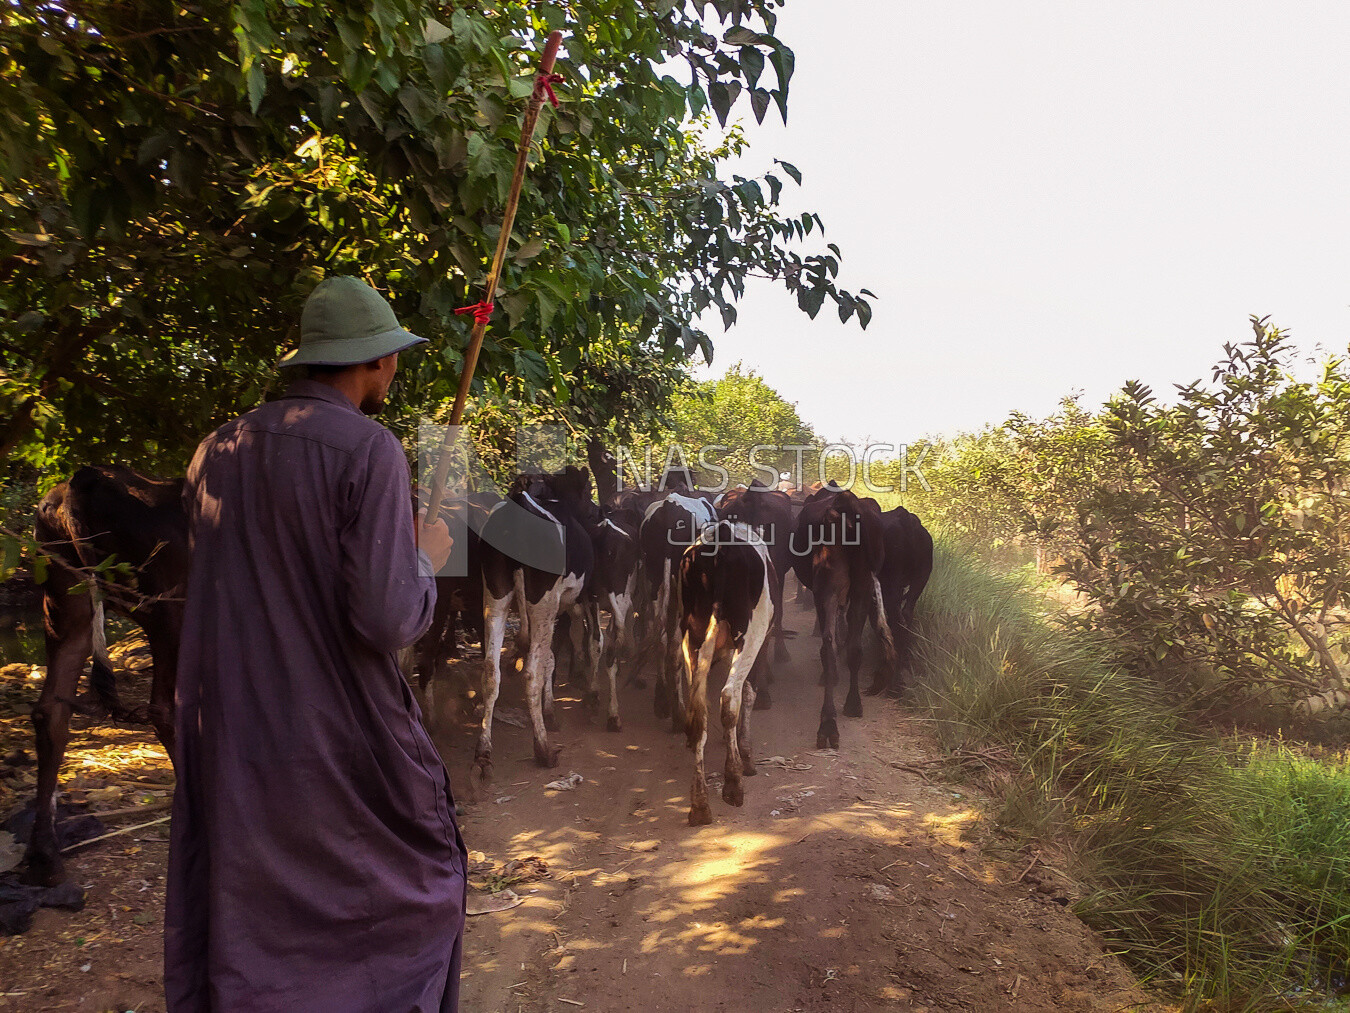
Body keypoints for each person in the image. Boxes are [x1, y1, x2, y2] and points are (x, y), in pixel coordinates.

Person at [164, 276, 465, 1012]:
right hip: (333, 729)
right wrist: (424, 556)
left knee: (250, 905)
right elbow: (389, 620)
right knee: (422, 882)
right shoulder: (370, 450)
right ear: (378, 363)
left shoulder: (215, 449)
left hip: (230, 727)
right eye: (392, 357)